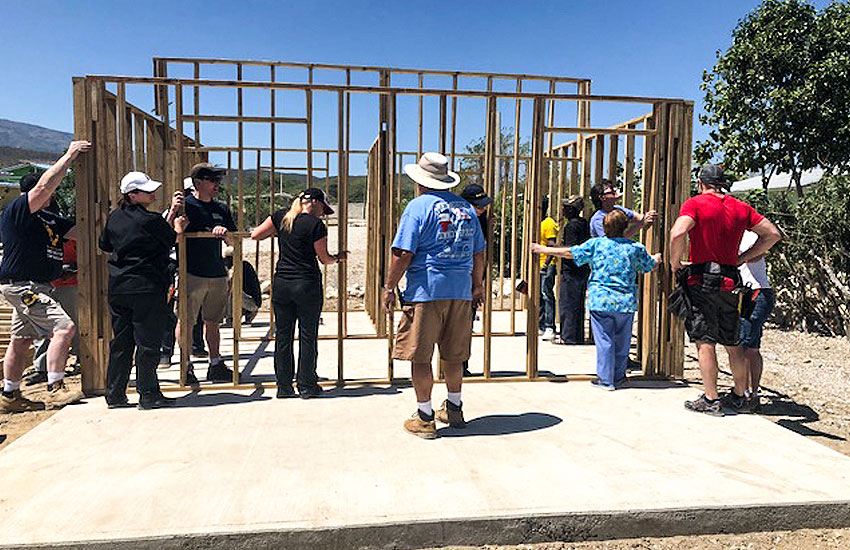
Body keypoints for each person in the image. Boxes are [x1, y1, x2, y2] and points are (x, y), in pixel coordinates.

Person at [383, 153, 486, 439]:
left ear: (420, 182)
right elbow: (479, 252)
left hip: (427, 291)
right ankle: (454, 409)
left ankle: (425, 417)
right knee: (453, 356)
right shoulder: (466, 209)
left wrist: (389, 287)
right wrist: (477, 286)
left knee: (421, 356)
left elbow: (403, 253)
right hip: (461, 291)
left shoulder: (418, 207)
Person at [669, 164, 781, 416]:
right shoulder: (741, 207)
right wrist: (742, 258)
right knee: (733, 342)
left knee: (704, 342)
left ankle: (711, 399)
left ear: (701, 183)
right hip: (731, 282)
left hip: (702, 280)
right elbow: (772, 234)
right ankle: (740, 396)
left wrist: (675, 263)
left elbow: (678, 233)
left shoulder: (695, 204)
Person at [0, 141, 89, 413]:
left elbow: (83, 231)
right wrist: (70, 156)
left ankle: (10, 395)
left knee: (22, 340)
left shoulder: (50, 219)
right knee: (64, 328)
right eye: (45, 189)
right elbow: (44, 187)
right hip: (24, 286)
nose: (50, 193)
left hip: (32, 286)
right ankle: (55, 388)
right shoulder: (19, 211)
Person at [533, 209, 660, 389]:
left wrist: (543, 249)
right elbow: (649, 266)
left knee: (604, 341)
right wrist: (657, 258)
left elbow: (571, 253)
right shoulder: (635, 247)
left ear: (604, 227)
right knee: (622, 342)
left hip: (600, 301)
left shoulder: (596, 245)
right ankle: (619, 376)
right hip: (625, 302)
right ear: (625, 228)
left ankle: (606, 380)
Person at [99, 172, 187, 409]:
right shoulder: (151, 220)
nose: (153, 194)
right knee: (148, 343)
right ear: (132, 194)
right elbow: (171, 240)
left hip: (119, 287)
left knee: (121, 342)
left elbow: (104, 245)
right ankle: (148, 394)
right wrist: (177, 226)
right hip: (147, 286)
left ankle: (115, 394)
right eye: (147, 191)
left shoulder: (115, 218)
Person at [251, 187, 345, 399]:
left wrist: (279, 232)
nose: (323, 213)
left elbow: (256, 234)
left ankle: (284, 386)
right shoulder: (315, 225)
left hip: (282, 283)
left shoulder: (281, 217)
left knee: (283, 336)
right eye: (323, 208)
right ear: (315, 203)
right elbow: (324, 258)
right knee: (307, 335)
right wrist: (337, 258)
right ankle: (306, 385)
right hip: (307, 284)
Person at [176, 163, 238, 385]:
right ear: (198, 182)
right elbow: (173, 234)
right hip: (192, 272)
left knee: (213, 321)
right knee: (186, 320)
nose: (217, 185)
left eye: (218, 181)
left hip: (216, 272)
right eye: (212, 180)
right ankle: (186, 365)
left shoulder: (221, 209)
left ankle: (215, 363)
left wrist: (225, 235)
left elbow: (234, 240)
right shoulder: (187, 207)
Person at [738, 229, 776, 412]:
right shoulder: (743, 236)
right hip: (754, 293)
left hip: (756, 293)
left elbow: (759, 252)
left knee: (743, 347)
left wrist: (736, 259)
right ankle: (752, 394)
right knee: (752, 348)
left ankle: (743, 395)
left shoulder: (748, 236)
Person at [459, 183, 492, 377]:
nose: (482, 209)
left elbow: (481, 255)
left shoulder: (481, 221)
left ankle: (462, 365)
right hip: (460, 281)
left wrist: (478, 284)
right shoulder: (462, 221)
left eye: (483, 205)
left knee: (466, 326)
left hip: (473, 282)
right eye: (478, 205)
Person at [555, 195, 590, 345]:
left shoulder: (572, 226)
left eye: (565, 207)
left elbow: (571, 250)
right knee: (578, 304)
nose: (562, 210)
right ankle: (577, 335)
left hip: (571, 270)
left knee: (568, 303)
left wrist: (554, 250)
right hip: (582, 269)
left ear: (571, 209)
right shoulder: (583, 223)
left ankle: (568, 337)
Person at [588, 178, 657, 238]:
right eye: (611, 191)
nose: (615, 192)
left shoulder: (618, 209)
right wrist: (640, 224)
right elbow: (611, 243)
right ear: (602, 197)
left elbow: (640, 218)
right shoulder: (598, 219)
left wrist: (648, 216)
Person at [538, 195, 558, 341]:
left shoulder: (548, 223)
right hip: (537, 264)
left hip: (547, 264)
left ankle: (550, 326)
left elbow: (552, 245)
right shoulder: (535, 222)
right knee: (539, 296)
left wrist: (546, 264)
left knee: (546, 294)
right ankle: (540, 325)